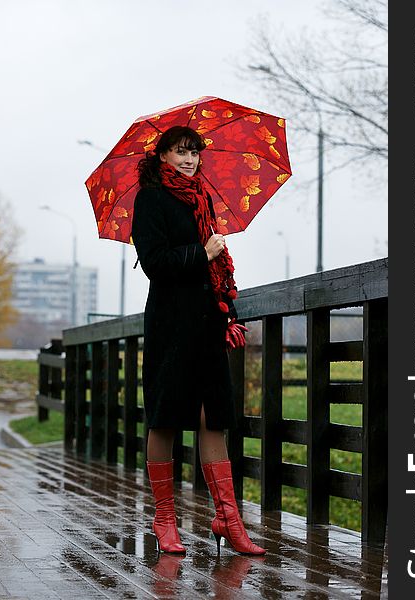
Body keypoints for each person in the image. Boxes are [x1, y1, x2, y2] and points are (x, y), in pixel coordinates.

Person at [131, 125, 265, 556]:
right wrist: (202, 252)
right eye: (180, 152)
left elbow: (215, 271)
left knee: (214, 417)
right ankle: (164, 519)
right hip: (171, 325)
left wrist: (228, 308)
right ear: (163, 156)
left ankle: (227, 517)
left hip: (208, 322)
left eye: (194, 153)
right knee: (165, 417)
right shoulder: (150, 198)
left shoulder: (202, 198)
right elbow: (154, 263)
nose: (190, 160)